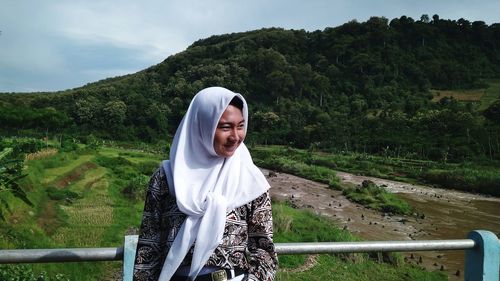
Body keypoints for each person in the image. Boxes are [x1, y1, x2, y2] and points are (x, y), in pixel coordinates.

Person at [133, 86, 277, 281]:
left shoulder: (250, 180)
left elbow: (264, 250)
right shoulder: (167, 177)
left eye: (241, 126)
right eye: (225, 127)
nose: (235, 137)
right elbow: (148, 248)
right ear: (202, 126)